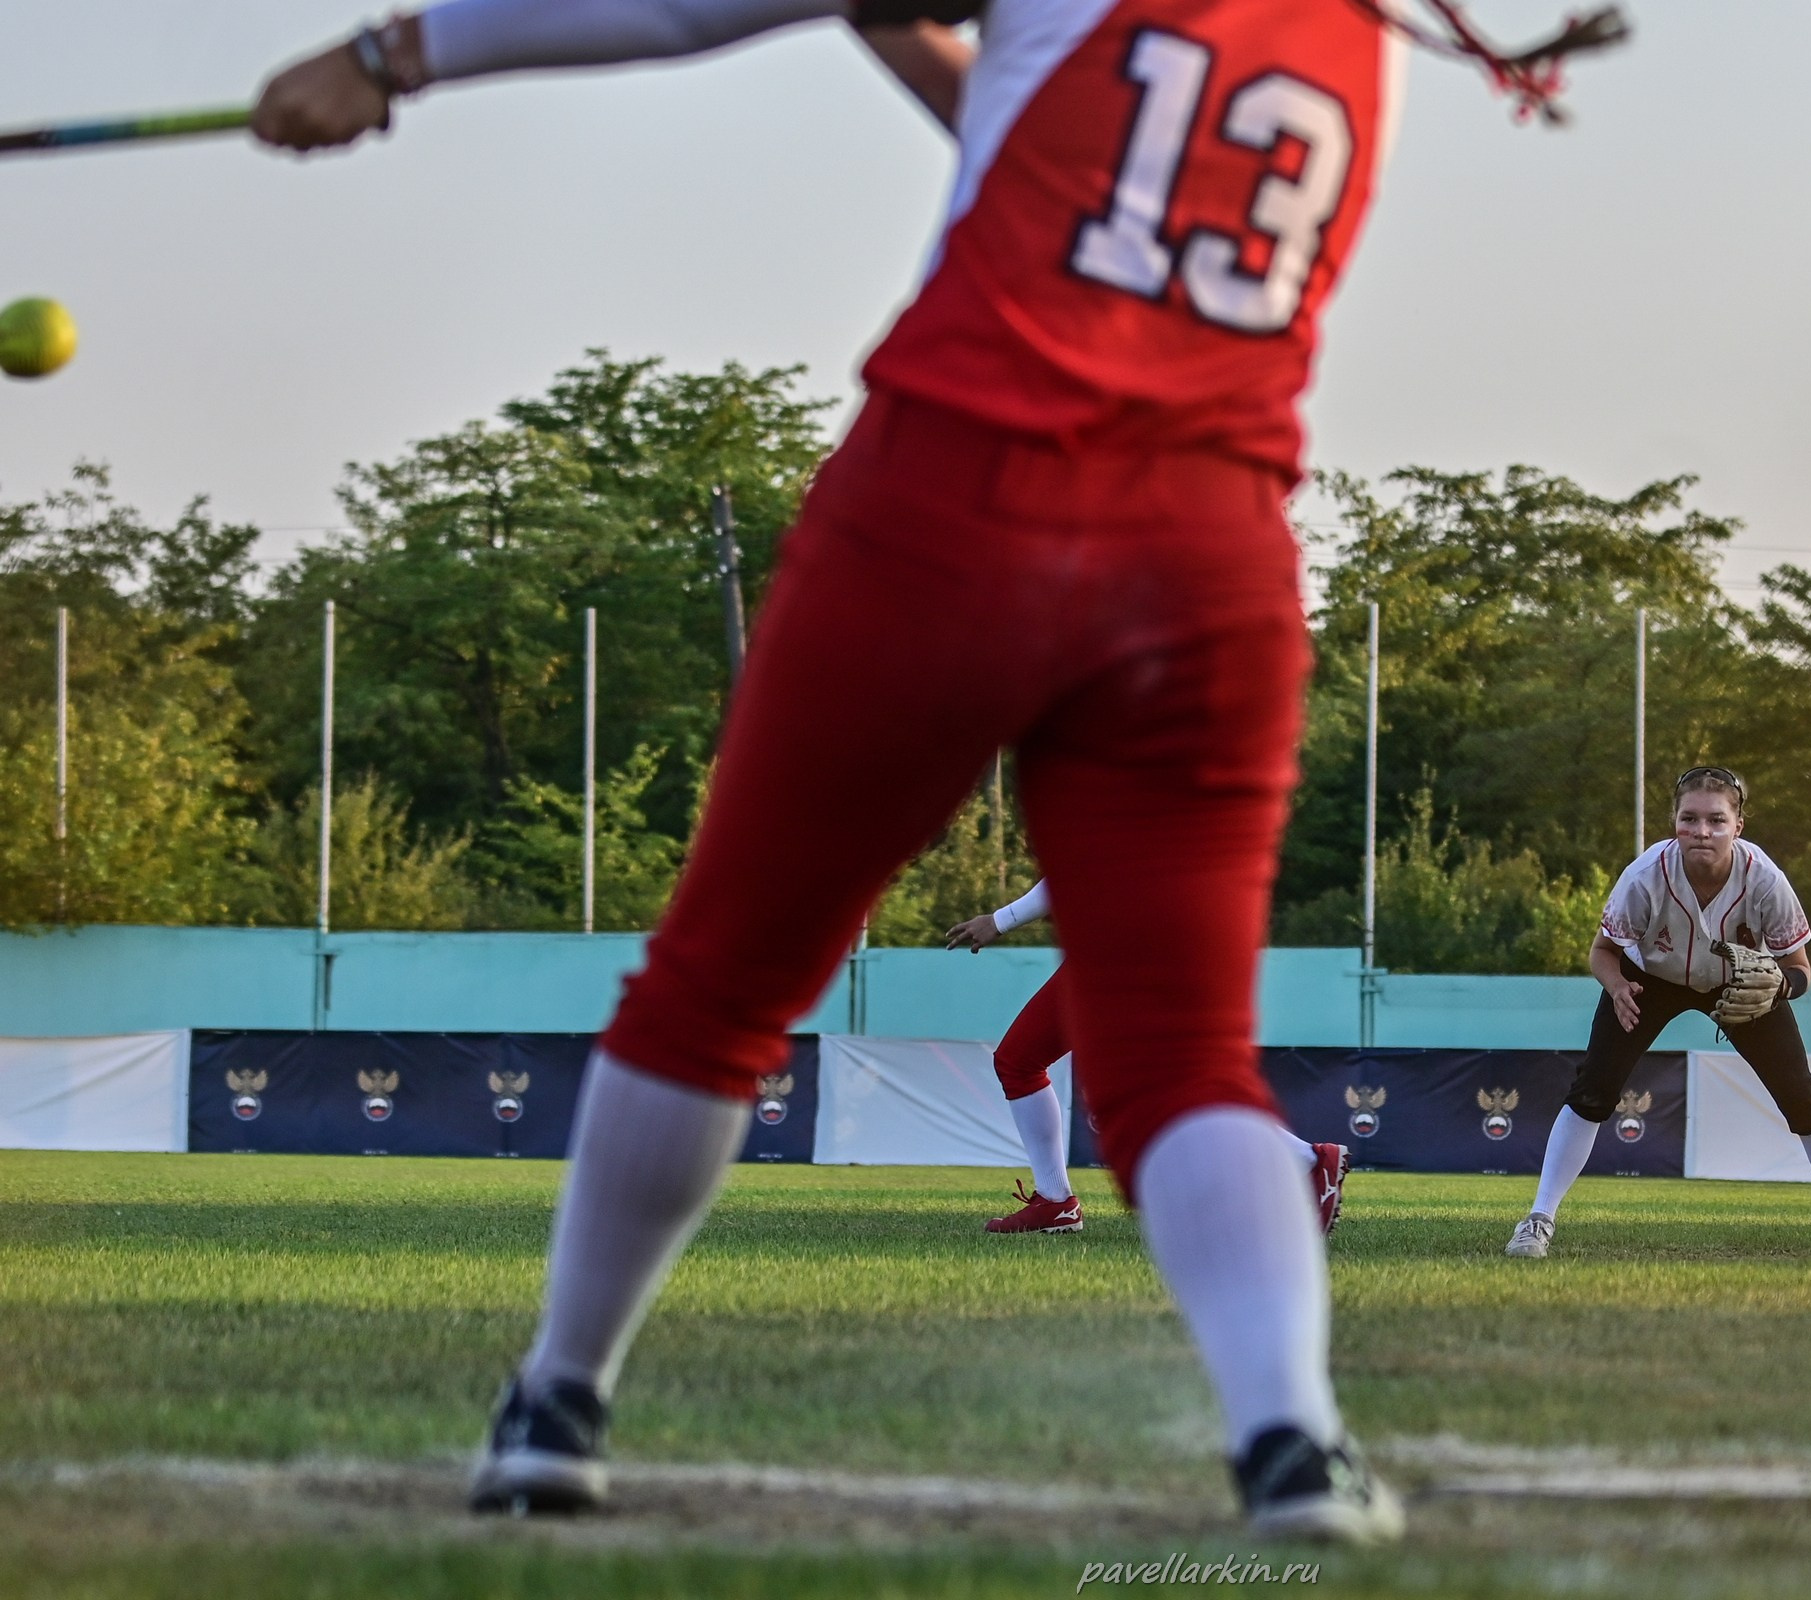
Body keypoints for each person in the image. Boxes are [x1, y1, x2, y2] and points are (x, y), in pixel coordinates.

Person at [247, 0, 1474, 1542]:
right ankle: (1297, 1442)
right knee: (1180, 1052)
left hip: (959, 496)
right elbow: (1068, 159)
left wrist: (389, 59)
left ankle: (559, 1400)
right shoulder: (1359, 36)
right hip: (1207, 556)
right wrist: (900, 35)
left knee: (718, 986)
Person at [1504, 767, 1811, 1263]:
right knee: (1593, 1090)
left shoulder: (1764, 879)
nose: (1702, 831)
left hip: (1739, 984)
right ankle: (1537, 1220)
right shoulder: (1646, 875)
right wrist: (1617, 985)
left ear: (1738, 825)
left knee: (1804, 1100)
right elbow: (1602, 950)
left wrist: (1779, 986)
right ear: (1674, 822)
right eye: (1689, 818)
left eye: (1716, 819)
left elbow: (1799, 968)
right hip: (1650, 980)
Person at [945, 879, 1352, 1234]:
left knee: (1152, 1080)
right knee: (1023, 1061)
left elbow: (1083, 863)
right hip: (1141, 934)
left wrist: (1001, 920)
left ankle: (1306, 1160)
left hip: (1122, 941)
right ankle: (1054, 1202)